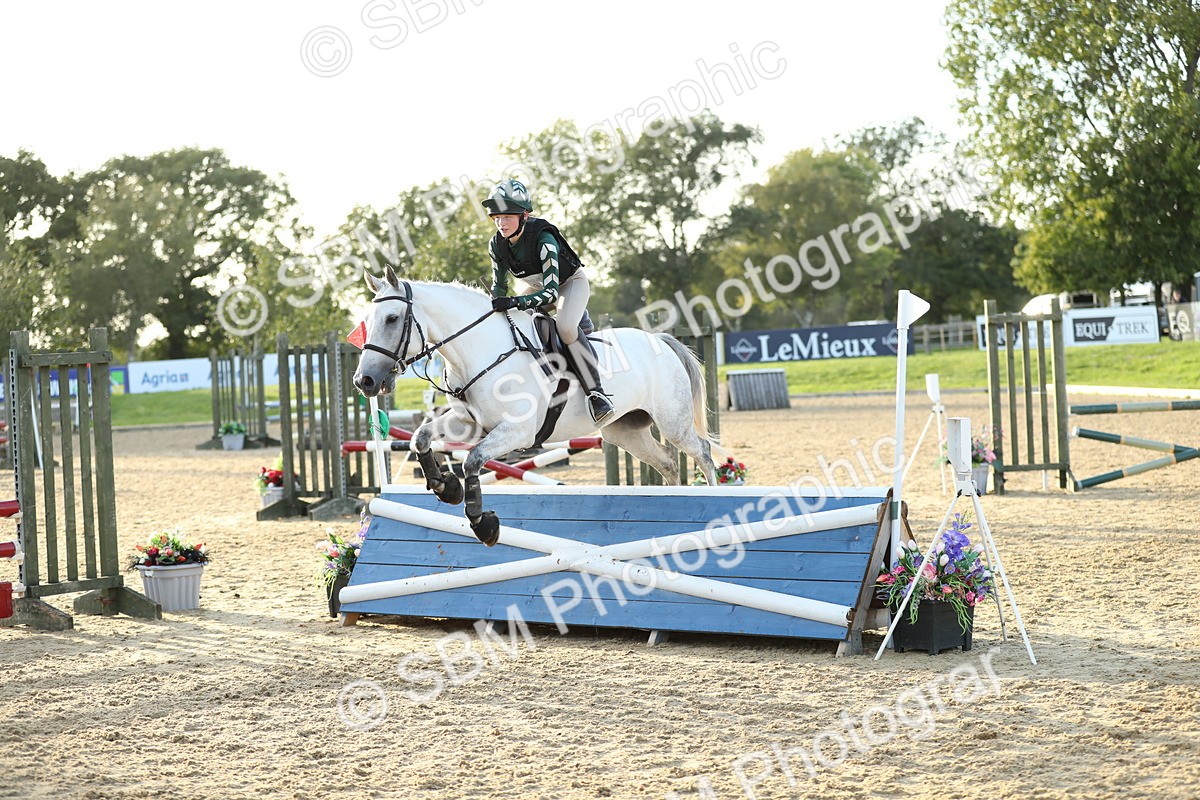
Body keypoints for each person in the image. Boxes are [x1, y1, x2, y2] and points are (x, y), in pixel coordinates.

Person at [482, 179, 615, 426]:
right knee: (510, 322)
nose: (501, 223)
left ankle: (598, 395)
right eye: (497, 217)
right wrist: (494, 306)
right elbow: (499, 286)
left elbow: (551, 293)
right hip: (537, 286)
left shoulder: (543, 239)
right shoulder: (496, 244)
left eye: (508, 217)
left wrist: (514, 301)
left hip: (568, 284)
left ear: (524, 215)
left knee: (565, 328)